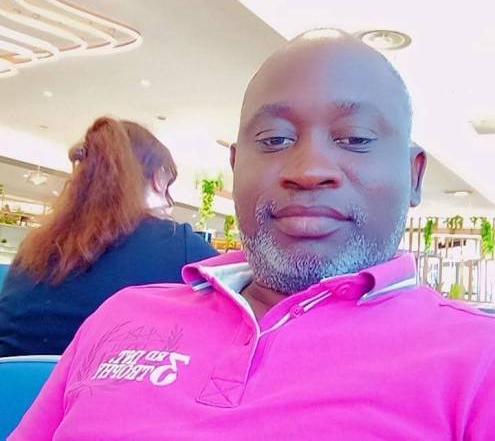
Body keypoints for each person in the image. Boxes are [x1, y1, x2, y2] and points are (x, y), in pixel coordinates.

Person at [10, 31, 495, 440]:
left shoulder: (478, 360)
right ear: (237, 166)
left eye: (355, 138)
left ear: (413, 176)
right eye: (275, 139)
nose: (308, 170)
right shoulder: (122, 315)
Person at [0, 117, 217, 357]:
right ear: (158, 178)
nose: (169, 202)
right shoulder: (180, 245)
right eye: (169, 185)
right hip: (104, 380)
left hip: (11, 380)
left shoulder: (33, 248)